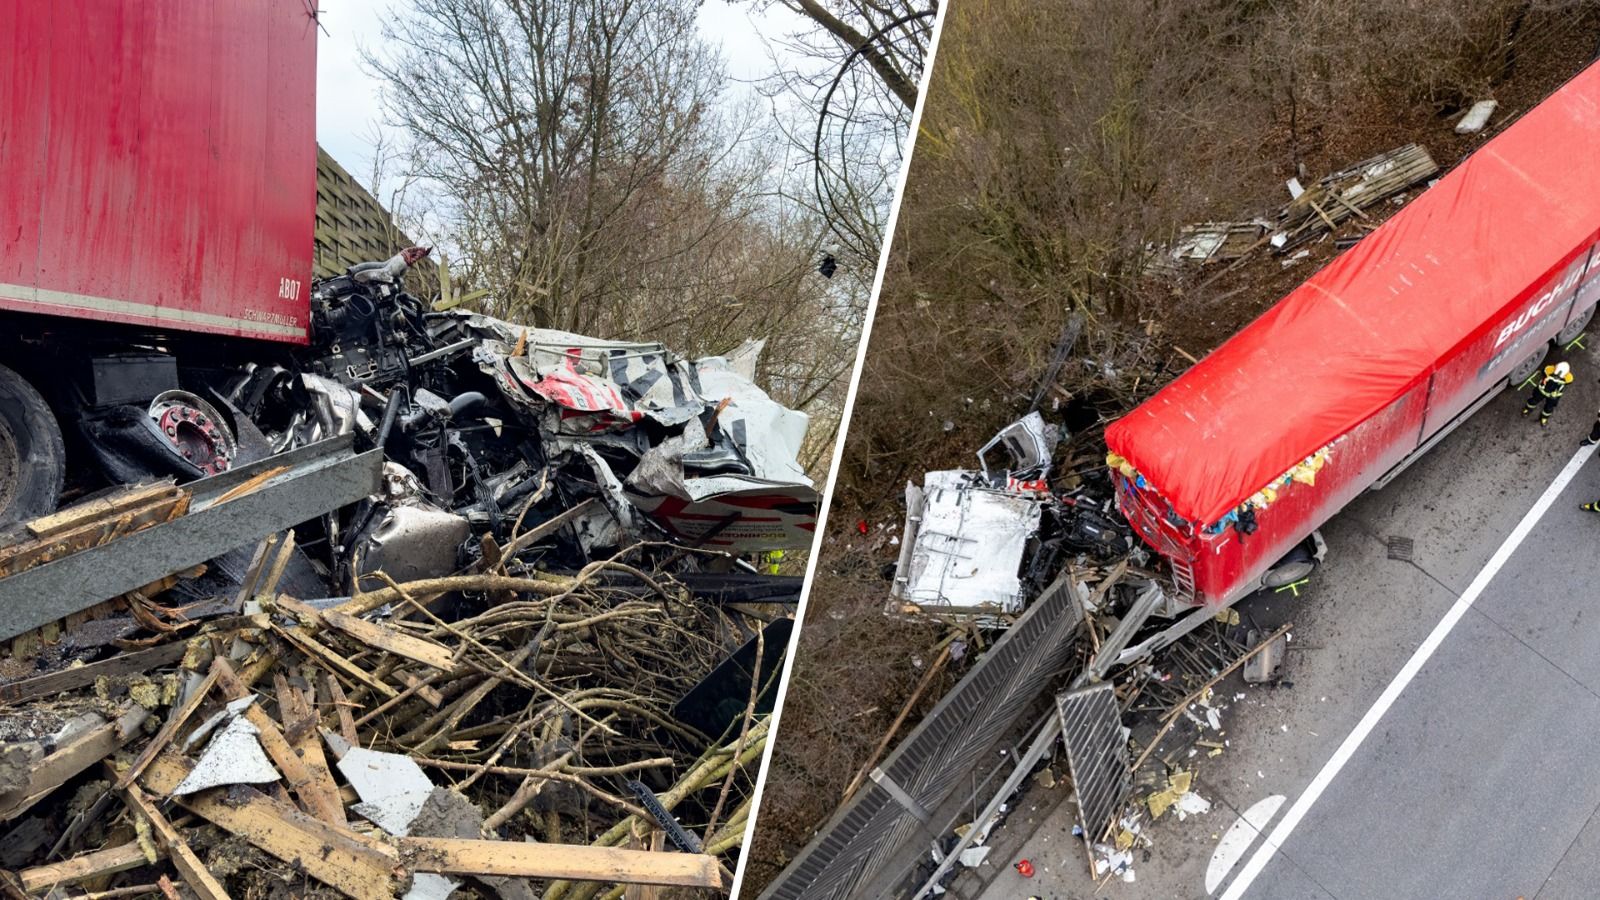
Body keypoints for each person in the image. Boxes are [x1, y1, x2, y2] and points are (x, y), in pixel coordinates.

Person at [1523, 360, 1574, 426]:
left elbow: (1544, 371)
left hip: (1553, 396)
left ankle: (1544, 417)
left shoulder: (1549, 370)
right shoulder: (1549, 370)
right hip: (1542, 391)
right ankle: (1528, 409)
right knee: (1534, 400)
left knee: (1549, 407)